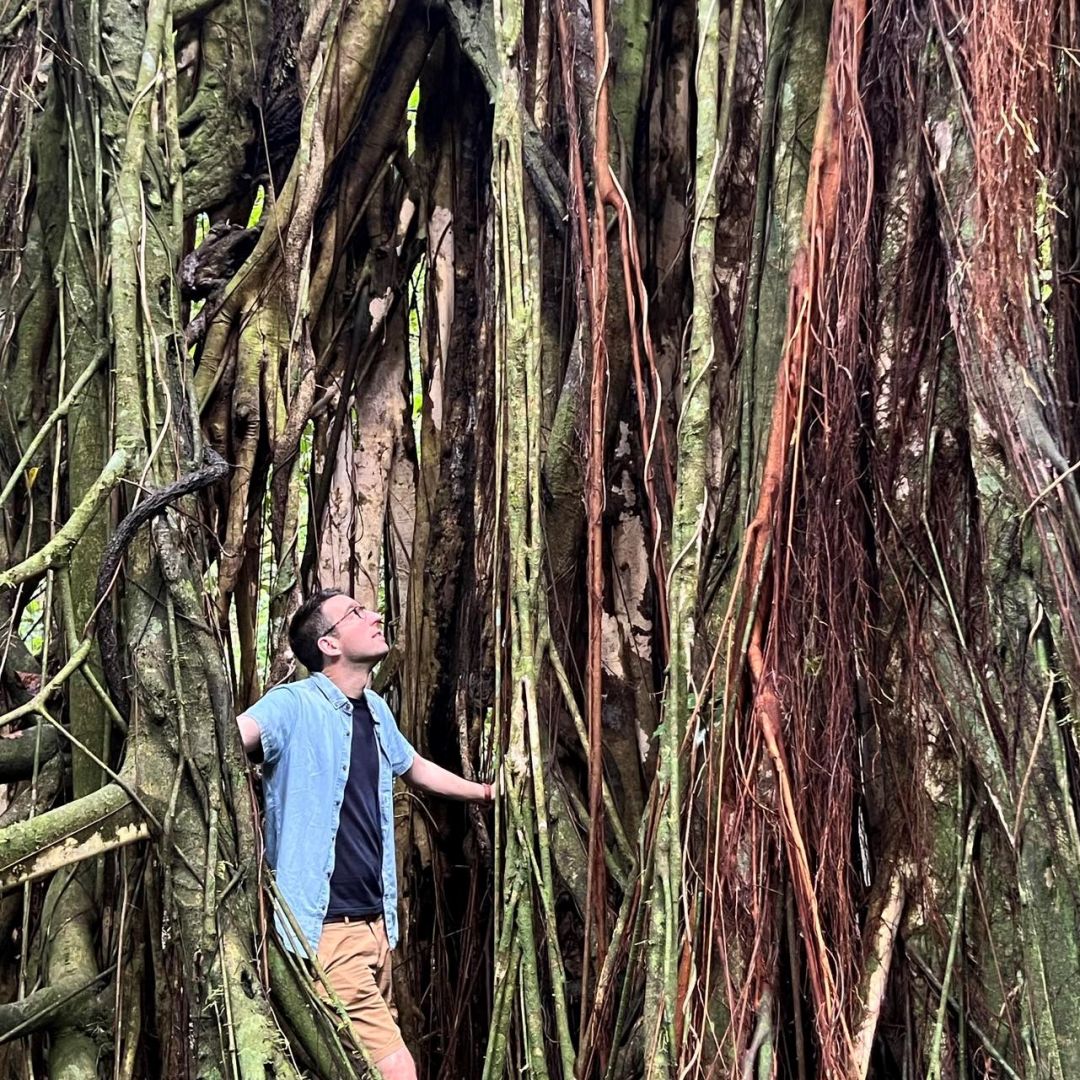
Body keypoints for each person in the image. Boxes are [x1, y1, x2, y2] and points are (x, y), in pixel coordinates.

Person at [237, 588, 492, 1080]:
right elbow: (233, 735)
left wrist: (484, 793)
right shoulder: (291, 704)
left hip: (377, 928)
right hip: (325, 929)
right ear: (329, 645)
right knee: (398, 1071)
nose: (374, 615)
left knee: (358, 1066)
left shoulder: (374, 710)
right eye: (355, 612)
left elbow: (413, 766)